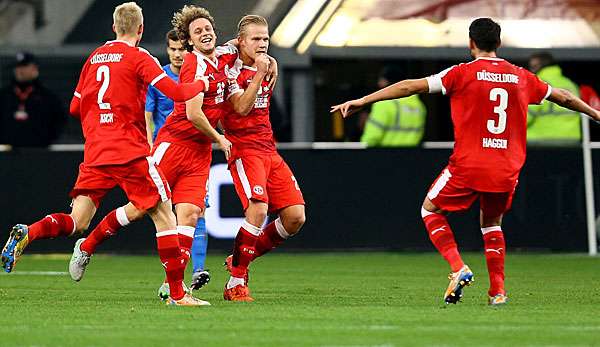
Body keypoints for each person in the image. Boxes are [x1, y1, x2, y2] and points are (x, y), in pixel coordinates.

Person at [331, 18, 600, 306]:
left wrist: (363, 101)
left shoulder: (461, 73)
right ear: (498, 43)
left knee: (430, 210)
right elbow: (564, 97)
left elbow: (410, 86)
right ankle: (498, 293)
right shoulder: (521, 76)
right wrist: (596, 115)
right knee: (492, 224)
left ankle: (458, 267)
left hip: (469, 164)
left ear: (471, 43)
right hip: (507, 167)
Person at [1, 2, 211, 307]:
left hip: (96, 152)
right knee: (164, 215)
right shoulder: (140, 57)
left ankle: (29, 232)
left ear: (114, 27)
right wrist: (205, 81)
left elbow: (75, 107)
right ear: (140, 30)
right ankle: (178, 295)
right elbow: (177, 93)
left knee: (77, 221)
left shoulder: (94, 57)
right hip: (129, 150)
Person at [220, 15, 306, 302]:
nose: (262, 44)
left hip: (269, 149)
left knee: (295, 217)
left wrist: (263, 68)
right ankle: (235, 283)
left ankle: (239, 259)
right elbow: (242, 108)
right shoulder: (229, 71)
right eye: (255, 39)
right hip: (244, 150)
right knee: (258, 210)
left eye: (266, 39)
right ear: (241, 42)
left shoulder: (270, 65)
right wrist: (257, 73)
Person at [144, 28, 211, 293]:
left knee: (196, 210)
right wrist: (148, 146)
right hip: (164, 152)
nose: (176, 54)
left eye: (181, 49)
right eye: (172, 49)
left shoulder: (198, 73)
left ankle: (195, 270)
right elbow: (147, 115)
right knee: (150, 210)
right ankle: (89, 245)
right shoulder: (160, 77)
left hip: (192, 152)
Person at [0, 52, 67, 147]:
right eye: (17, 67)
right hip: (8, 153)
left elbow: (59, 121)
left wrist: (46, 140)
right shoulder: (4, 96)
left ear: (34, 68)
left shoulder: (48, 97)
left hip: (39, 152)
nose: (20, 70)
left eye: (24, 66)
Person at [360, 66, 426, 147]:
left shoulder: (383, 104)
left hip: (386, 155)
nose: (379, 83)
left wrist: (364, 147)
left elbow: (372, 137)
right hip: (412, 155)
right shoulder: (418, 105)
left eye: (381, 80)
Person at [527, 52, 581, 142]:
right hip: (571, 139)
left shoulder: (538, 83)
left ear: (537, 65)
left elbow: (526, 114)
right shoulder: (570, 84)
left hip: (541, 139)